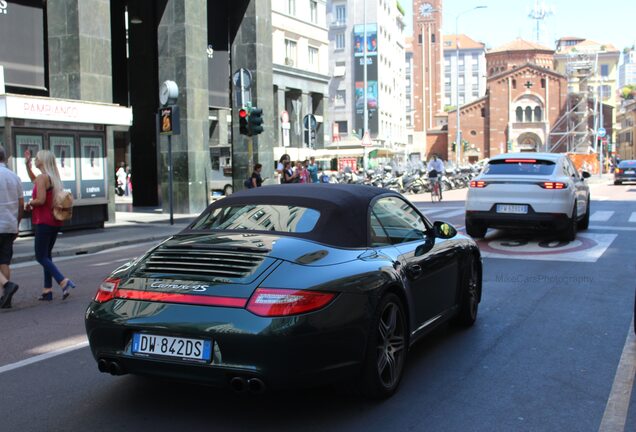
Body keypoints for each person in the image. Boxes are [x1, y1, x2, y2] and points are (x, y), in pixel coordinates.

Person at [25, 150, 76, 301]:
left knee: (40, 256)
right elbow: (35, 181)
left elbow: (40, 200)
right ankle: (47, 291)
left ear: (42, 161)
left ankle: (63, 281)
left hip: (43, 221)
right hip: (54, 221)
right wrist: (28, 167)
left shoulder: (43, 178)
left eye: (36, 158)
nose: (35, 159)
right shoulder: (52, 177)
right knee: (47, 255)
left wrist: (29, 203)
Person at [0, 146, 24, 309]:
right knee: (4, 262)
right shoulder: (14, 176)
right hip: (10, 224)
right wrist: (17, 223)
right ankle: (5, 298)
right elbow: (21, 203)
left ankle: (7, 286)